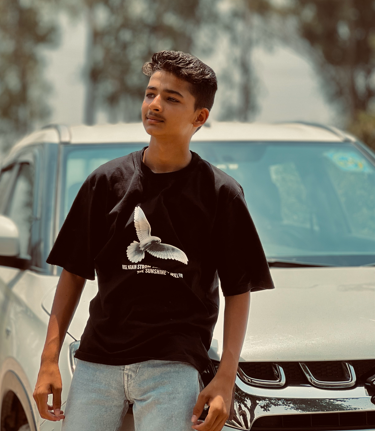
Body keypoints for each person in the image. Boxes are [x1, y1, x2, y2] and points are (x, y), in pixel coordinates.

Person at [33, 50, 274, 431]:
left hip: (173, 365)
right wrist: (49, 360)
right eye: (150, 94)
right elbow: (73, 273)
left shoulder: (220, 194)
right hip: (98, 361)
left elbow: (238, 290)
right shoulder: (105, 182)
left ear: (199, 117)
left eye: (171, 98)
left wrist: (226, 378)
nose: (155, 104)